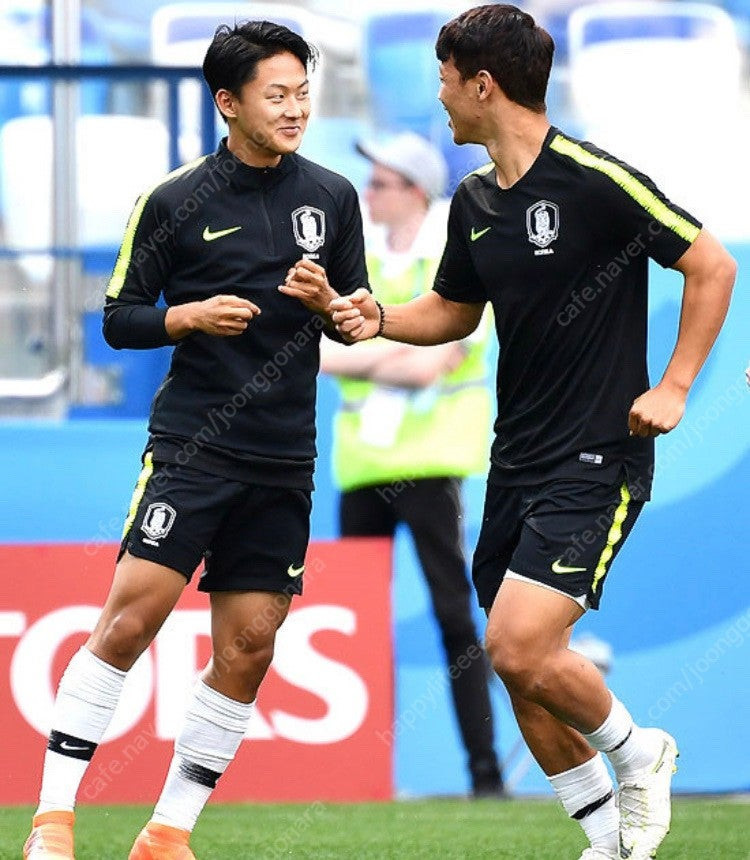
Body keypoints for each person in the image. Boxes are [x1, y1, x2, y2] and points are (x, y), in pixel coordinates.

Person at [320, 5, 736, 858]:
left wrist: (675, 387)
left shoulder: (593, 178)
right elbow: (452, 312)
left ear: (484, 85)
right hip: (514, 461)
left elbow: (711, 263)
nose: (438, 96)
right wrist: (377, 318)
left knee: (516, 645)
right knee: (521, 669)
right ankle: (606, 841)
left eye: (445, 80)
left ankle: (641, 753)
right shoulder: (473, 200)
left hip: (599, 455)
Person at [23, 20, 368, 860]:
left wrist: (331, 305)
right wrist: (188, 316)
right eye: (276, 94)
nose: (295, 109)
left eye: (302, 93)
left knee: (248, 648)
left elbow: (359, 318)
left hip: (285, 456)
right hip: (194, 446)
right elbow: (117, 318)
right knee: (130, 620)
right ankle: (53, 820)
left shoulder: (333, 195)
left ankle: (168, 832)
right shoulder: (174, 200)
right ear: (228, 102)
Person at [320, 131, 504, 797]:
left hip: (431, 464)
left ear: (416, 192)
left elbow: (433, 363)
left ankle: (485, 776)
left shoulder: (457, 263)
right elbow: (321, 354)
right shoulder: (358, 262)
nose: (367, 193)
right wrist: (393, 355)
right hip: (362, 466)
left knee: (455, 618)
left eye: (380, 182)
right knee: (358, 626)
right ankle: (362, 779)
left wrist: (365, 353)